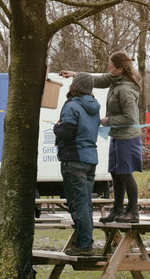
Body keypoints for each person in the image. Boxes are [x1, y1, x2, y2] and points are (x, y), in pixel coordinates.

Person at [60, 50, 142, 223]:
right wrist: (76, 75)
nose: (108, 69)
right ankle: (118, 210)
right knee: (115, 173)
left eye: (111, 67)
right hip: (117, 135)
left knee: (125, 173)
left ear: (120, 69)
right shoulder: (115, 78)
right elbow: (98, 79)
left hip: (128, 137)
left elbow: (130, 118)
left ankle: (133, 212)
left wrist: (107, 120)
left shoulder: (126, 89)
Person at [53, 72, 100, 256]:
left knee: (77, 203)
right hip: (90, 159)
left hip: (74, 159)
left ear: (75, 86)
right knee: (86, 203)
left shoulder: (72, 106)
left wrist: (56, 127)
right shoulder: (94, 107)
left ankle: (84, 245)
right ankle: (85, 241)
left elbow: (66, 131)